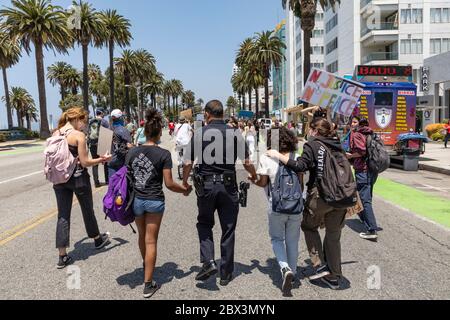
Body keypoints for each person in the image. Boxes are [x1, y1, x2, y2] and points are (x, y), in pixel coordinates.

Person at [182, 100, 258, 286]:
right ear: (222, 114)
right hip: (228, 186)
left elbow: (187, 162)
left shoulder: (200, 133)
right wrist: (254, 175)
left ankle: (208, 261)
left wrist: (184, 182)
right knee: (228, 228)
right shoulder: (234, 133)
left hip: (206, 186)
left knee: (205, 223)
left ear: (207, 114)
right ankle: (225, 274)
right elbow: (246, 161)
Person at [267, 118, 348, 290]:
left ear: (315, 131)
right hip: (343, 196)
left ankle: (320, 264)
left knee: (308, 226)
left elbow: (300, 166)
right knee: (334, 235)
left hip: (322, 195)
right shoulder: (338, 145)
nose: (308, 132)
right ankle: (334, 276)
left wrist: (277, 155)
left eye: (310, 129)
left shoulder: (313, 145)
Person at [126, 109, 191, 298]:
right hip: (154, 201)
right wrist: (185, 190)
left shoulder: (132, 153)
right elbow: (169, 184)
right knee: (151, 240)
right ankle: (148, 284)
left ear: (145, 132)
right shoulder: (163, 154)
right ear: (159, 133)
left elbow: (127, 177)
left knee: (142, 236)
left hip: (137, 200)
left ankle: (146, 264)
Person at [52, 107, 112, 269]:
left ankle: (62, 256)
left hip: (59, 179)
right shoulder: (78, 136)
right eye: (84, 122)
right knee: (87, 209)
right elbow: (85, 162)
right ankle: (98, 240)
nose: (85, 125)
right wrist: (102, 160)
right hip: (78, 179)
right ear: (77, 119)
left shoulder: (56, 133)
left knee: (63, 215)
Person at [252, 127, 303, 296]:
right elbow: (301, 183)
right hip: (296, 205)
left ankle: (284, 267)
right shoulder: (297, 158)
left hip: (276, 206)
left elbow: (262, 183)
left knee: (276, 238)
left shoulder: (266, 157)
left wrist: (253, 180)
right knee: (293, 240)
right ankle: (293, 274)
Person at [347, 117, 379, 241]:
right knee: (365, 197)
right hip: (372, 170)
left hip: (363, 170)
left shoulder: (357, 134)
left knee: (365, 200)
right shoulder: (370, 132)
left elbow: (361, 152)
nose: (352, 124)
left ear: (359, 124)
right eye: (352, 122)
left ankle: (371, 229)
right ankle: (364, 218)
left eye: (355, 122)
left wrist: (350, 155)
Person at [88, 108, 110, 188]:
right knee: (105, 161)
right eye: (103, 113)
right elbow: (108, 133)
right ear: (101, 113)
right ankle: (107, 180)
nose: (104, 114)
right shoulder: (104, 121)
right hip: (102, 143)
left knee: (95, 163)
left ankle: (96, 183)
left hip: (93, 144)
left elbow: (88, 132)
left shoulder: (91, 121)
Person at [108, 109, 133, 178]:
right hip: (121, 160)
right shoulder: (123, 130)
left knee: (112, 183)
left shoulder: (107, 129)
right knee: (122, 184)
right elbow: (129, 145)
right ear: (120, 118)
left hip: (110, 160)